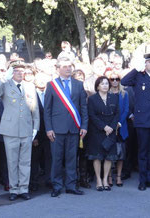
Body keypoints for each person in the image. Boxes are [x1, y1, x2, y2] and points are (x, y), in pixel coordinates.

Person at [0, 60, 40, 201]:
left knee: (25, 161)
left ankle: (24, 188)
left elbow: (34, 108)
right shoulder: (6, 84)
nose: (19, 73)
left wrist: (36, 127)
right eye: (16, 70)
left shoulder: (29, 86)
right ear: (11, 72)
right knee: (12, 161)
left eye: (21, 71)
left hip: (26, 128)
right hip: (10, 129)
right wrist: (2, 79)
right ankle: (14, 188)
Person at [121, 53, 150, 191]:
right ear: (145, 64)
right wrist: (136, 68)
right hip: (142, 120)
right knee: (143, 152)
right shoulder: (138, 76)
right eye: (149, 62)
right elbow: (124, 81)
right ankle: (142, 181)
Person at [44, 57, 88, 197]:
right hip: (57, 129)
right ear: (58, 69)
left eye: (69, 66)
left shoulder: (78, 84)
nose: (68, 68)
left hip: (74, 127)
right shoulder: (51, 85)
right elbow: (47, 110)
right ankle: (56, 185)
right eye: (64, 66)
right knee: (56, 159)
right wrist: (49, 128)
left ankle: (71, 185)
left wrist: (84, 126)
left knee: (71, 158)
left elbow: (83, 107)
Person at [87, 76, 120, 191]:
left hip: (110, 130)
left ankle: (105, 179)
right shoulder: (92, 99)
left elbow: (117, 114)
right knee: (97, 156)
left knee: (108, 157)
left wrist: (111, 127)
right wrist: (104, 126)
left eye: (107, 83)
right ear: (97, 86)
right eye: (102, 84)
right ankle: (98, 180)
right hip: (97, 131)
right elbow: (92, 115)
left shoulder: (114, 97)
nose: (105, 85)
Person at [30, 73, 52, 191]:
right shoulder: (30, 94)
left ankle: (49, 180)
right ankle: (34, 182)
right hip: (36, 133)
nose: (42, 82)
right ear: (35, 81)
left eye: (44, 79)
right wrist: (33, 136)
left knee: (49, 157)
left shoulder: (51, 93)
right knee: (35, 159)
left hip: (49, 133)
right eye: (39, 79)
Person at [108, 72, 129, 187]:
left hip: (122, 127)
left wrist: (119, 123)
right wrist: (112, 124)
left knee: (121, 154)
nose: (115, 81)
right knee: (110, 153)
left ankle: (119, 177)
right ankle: (110, 176)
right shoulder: (106, 93)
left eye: (117, 79)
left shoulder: (124, 94)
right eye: (112, 79)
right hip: (110, 127)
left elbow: (126, 110)